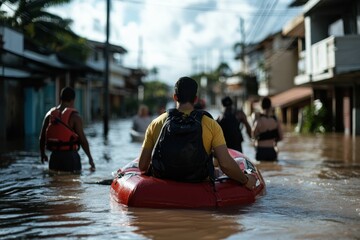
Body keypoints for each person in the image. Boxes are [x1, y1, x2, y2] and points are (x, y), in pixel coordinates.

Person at [138, 76, 256, 189]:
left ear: (175, 97)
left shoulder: (156, 123)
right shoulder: (211, 124)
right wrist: (245, 180)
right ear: (195, 99)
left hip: (162, 185)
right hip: (200, 185)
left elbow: (142, 166)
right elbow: (225, 164)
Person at [39, 87, 96, 172]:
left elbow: (42, 137)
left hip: (54, 157)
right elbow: (83, 141)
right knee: (72, 183)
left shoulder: (49, 115)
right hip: (70, 158)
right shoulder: (75, 117)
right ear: (73, 100)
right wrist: (90, 159)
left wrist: (43, 154)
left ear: (60, 98)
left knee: (54, 183)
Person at [252, 97, 283, 161]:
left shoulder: (259, 119)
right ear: (270, 106)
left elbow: (253, 134)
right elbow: (281, 137)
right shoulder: (275, 120)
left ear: (261, 106)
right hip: (271, 150)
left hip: (260, 150)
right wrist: (274, 140)